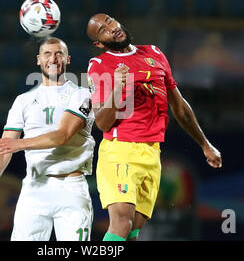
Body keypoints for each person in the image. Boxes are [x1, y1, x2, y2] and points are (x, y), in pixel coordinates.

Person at [86, 13, 222, 241]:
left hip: (151, 152)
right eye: (102, 30)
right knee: (121, 222)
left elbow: (179, 106)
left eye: (110, 21)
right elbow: (102, 122)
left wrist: (205, 145)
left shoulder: (154, 53)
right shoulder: (101, 64)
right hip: (121, 149)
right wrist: (118, 89)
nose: (111, 27)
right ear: (99, 44)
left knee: (133, 231)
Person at [0, 37, 95, 241]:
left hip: (71, 188)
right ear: (38, 59)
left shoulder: (82, 95)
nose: (53, 59)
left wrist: (19, 144)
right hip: (34, 188)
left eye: (59, 54)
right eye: (47, 54)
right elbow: (4, 148)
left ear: (68, 59)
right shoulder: (23, 101)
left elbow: (62, 136)